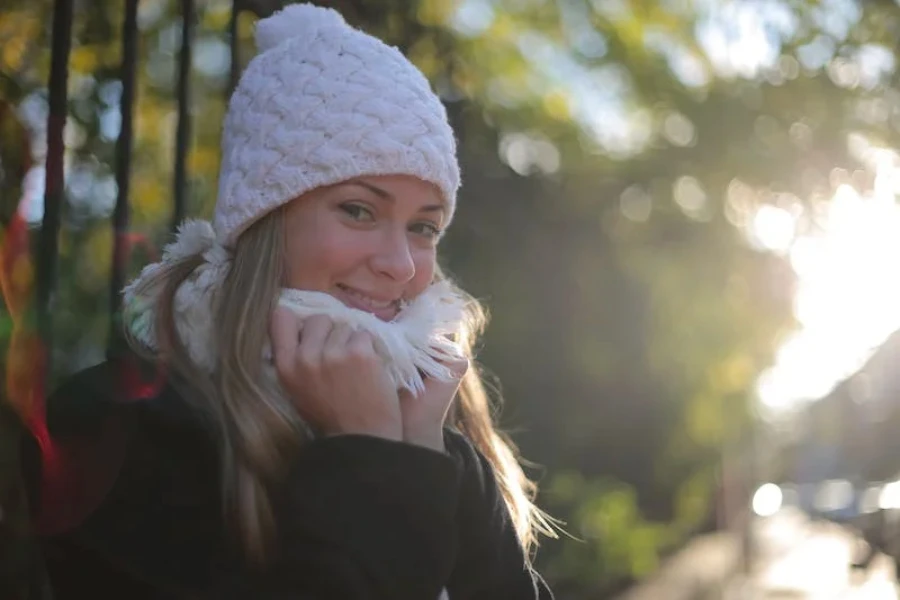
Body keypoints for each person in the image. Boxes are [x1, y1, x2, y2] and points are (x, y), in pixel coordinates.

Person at [21, 3, 555, 598]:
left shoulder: (439, 437)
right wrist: (371, 456)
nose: (400, 264)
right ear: (264, 221)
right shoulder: (122, 432)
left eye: (423, 227)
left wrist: (415, 449)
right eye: (358, 210)